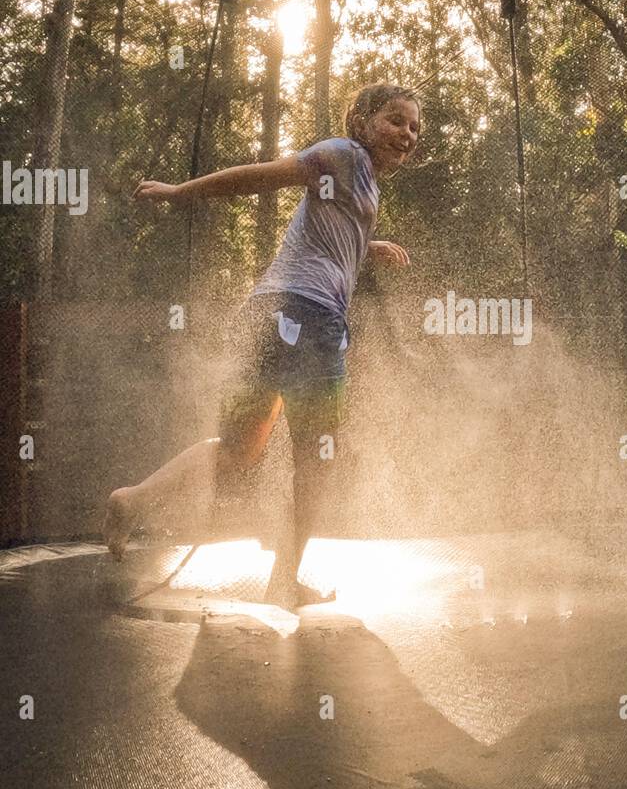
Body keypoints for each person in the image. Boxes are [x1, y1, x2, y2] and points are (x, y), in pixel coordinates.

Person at [103, 82, 419, 608]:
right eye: (396, 119)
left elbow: (327, 246)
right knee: (318, 458)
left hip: (270, 316)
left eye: (414, 127)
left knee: (238, 452)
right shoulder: (341, 155)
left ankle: (133, 500)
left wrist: (369, 245)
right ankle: (283, 582)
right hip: (308, 321)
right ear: (360, 121)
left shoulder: (361, 183)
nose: (407, 134)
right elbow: (259, 179)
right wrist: (181, 191)